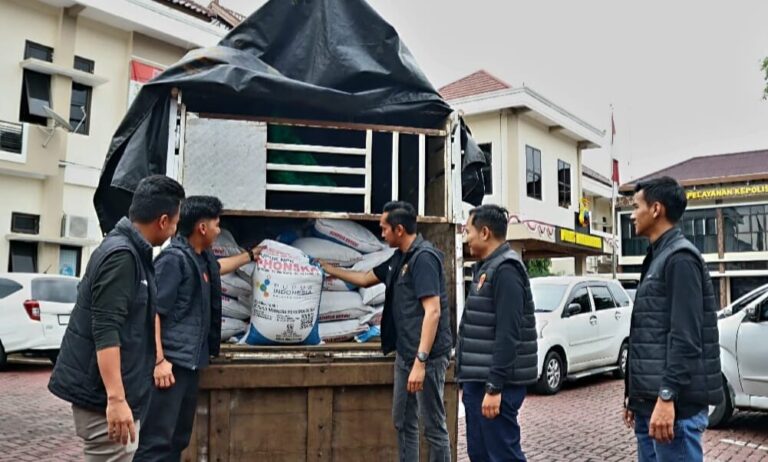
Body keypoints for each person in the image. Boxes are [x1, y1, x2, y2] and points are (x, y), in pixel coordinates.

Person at [48, 175, 185, 461]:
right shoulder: (122, 256)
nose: (175, 229)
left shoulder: (133, 252)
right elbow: (106, 328)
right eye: (175, 222)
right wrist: (116, 399)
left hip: (113, 397)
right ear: (162, 221)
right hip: (103, 401)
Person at [321, 201, 453, 462]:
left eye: (384, 229)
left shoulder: (424, 259)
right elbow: (365, 278)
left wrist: (421, 362)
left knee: (433, 426)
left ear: (399, 229)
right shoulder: (399, 258)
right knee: (403, 421)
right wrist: (330, 269)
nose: (381, 234)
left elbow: (433, 312)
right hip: (405, 354)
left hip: (427, 358)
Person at [135, 196, 261, 461]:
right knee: (157, 442)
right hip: (171, 366)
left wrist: (249, 255)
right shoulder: (173, 260)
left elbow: (219, 269)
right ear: (202, 228)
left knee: (178, 439)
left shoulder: (200, 259)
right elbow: (153, 313)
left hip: (189, 364)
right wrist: (159, 361)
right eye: (216, 224)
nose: (219, 230)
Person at [622, 176, 722, 462]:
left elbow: (686, 337)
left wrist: (667, 396)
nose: (631, 215)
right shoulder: (657, 257)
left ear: (656, 209)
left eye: (636, 206)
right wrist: (635, 397)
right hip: (650, 408)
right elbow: (649, 333)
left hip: (673, 411)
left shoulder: (680, 259)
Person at [457, 204, 538, 462]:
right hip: (479, 381)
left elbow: (508, 333)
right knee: (480, 454)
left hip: (494, 385)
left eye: (467, 231)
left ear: (484, 233)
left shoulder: (506, 269)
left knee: (502, 455)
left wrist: (494, 387)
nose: (465, 237)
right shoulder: (487, 268)